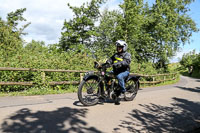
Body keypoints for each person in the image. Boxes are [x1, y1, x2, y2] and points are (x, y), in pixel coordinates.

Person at [103, 40, 131, 105]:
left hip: (124, 71)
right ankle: (109, 89)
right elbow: (110, 59)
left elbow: (127, 62)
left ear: (124, 47)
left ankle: (122, 92)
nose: (118, 48)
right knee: (106, 75)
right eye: (118, 47)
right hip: (116, 71)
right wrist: (108, 62)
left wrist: (119, 64)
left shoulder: (127, 54)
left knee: (119, 77)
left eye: (120, 47)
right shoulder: (115, 55)